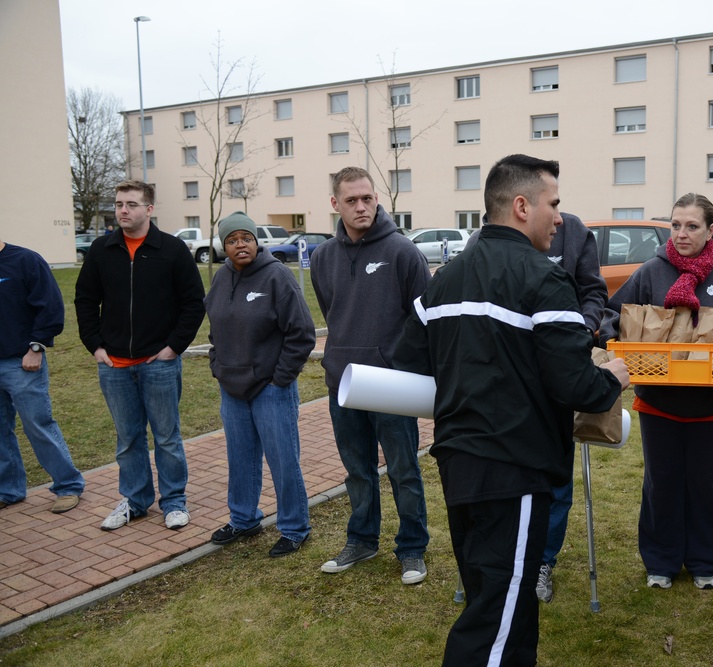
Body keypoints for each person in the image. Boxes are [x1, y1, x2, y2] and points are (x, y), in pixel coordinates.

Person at [394, 154, 629, 666]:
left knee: (501, 598)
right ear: (522, 206)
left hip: (459, 462)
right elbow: (575, 384)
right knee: (495, 621)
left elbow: (408, 358)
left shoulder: (444, 280)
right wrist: (609, 379)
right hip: (515, 471)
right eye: (554, 204)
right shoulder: (544, 280)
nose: (560, 218)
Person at [599, 193, 713, 592]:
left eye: (692, 226)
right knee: (661, 482)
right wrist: (611, 336)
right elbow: (614, 312)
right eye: (676, 225)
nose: (681, 233)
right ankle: (660, 561)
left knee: (706, 484)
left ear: (711, 230)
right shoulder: (651, 272)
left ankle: (705, 561)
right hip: (657, 400)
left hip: (712, 402)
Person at [466, 212, 608, 603]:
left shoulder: (573, 231)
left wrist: (581, 328)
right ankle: (492, 561)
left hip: (556, 370)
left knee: (554, 477)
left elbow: (593, 290)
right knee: (499, 475)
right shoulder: (483, 239)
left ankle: (542, 562)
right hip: (501, 379)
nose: (556, 213)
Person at [310, 166, 431, 585]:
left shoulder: (402, 252)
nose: (360, 207)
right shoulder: (323, 257)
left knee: (403, 470)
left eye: (367, 198)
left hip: (392, 385)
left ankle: (412, 548)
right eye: (351, 200)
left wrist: (400, 365)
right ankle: (361, 540)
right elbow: (333, 313)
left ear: (376, 198)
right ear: (335, 204)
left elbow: (422, 320)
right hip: (343, 384)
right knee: (357, 470)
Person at [75, 180, 206, 531]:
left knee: (166, 436)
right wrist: (96, 346)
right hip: (114, 365)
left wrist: (173, 347)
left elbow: (194, 303)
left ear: (149, 209)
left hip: (158, 363)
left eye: (131, 204)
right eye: (119, 204)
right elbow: (85, 300)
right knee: (128, 437)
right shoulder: (102, 250)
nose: (123, 210)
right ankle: (135, 501)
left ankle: (175, 502)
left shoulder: (173, 249)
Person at [204, 212, 315, 558]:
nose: (241, 245)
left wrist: (280, 379)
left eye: (247, 238)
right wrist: (217, 365)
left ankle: (295, 527)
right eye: (233, 240)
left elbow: (302, 333)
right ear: (224, 247)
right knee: (240, 459)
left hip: (271, 388)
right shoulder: (221, 279)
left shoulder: (276, 276)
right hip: (232, 387)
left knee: (283, 460)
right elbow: (216, 327)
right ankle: (244, 518)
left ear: (256, 241)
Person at [0, 239, 85, 513]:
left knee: (38, 424)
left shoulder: (25, 260)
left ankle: (68, 485)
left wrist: (36, 347)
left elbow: (50, 307)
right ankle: (9, 490)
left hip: (21, 362)